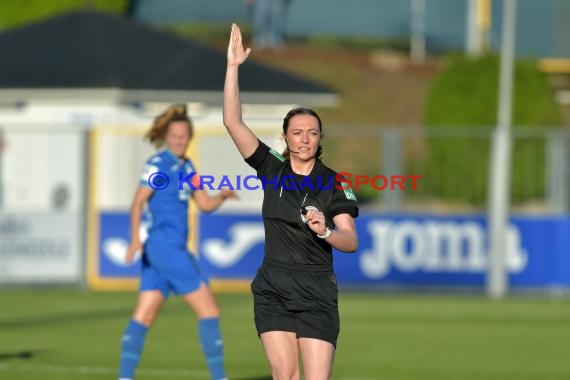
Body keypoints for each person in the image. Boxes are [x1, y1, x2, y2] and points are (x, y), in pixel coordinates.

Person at [223, 24, 359, 380]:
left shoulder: (336, 181)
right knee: (285, 376)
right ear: (285, 137)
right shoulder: (271, 166)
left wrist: (326, 230)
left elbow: (350, 240)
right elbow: (232, 121)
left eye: (312, 133)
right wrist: (233, 67)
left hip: (316, 292)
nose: (304, 139)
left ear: (320, 138)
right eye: (297, 132)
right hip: (274, 287)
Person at [117, 104, 237, 380]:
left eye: (184, 136)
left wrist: (221, 196)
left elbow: (204, 203)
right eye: (175, 136)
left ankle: (124, 377)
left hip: (167, 251)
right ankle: (220, 378)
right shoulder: (158, 165)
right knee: (209, 310)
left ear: (190, 137)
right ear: (166, 137)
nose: (180, 141)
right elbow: (137, 203)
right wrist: (135, 240)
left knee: (144, 316)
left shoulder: (188, 167)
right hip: (164, 247)